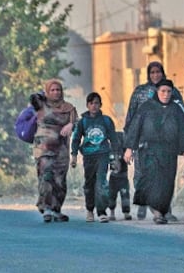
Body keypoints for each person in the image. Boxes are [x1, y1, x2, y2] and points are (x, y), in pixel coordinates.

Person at [124, 79, 184, 224]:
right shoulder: (146, 107)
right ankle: (157, 213)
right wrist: (129, 148)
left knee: (167, 182)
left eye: (168, 91)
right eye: (163, 91)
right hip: (149, 150)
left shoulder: (176, 109)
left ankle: (161, 211)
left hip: (169, 151)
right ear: (157, 92)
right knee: (151, 180)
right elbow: (135, 127)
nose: (166, 94)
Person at [34, 79, 77, 222]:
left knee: (59, 180)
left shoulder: (69, 108)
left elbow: (77, 122)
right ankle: (46, 208)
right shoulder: (41, 104)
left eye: (58, 90)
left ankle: (56, 209)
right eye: (52, 90)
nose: (56, 92)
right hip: (43, 148)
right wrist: (40, 95)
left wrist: (71, 125)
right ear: (47, 92)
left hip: (61, 148)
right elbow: (33, 99)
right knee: (46, 176)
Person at [70, 92, 115, 223]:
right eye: (91, 103)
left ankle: (102, 211)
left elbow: (114, 138)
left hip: (103, 155)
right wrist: (73, 156)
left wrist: (116, 156)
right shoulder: (83, 122)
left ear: (100, 105)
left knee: (101, 183)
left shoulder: (106, 120)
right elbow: (76, 139)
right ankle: (90, 210)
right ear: (87, 105)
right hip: (89, 156)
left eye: (96, 103)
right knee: (89, 184)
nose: (94, 106)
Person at [107, 130, 132, 221]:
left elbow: (129, 159)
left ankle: (126, 213)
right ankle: (112, 213)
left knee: (125, 196)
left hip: (123, 177)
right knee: (111, 196)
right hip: (113, 177)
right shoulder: (109, 151)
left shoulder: (125, 151)